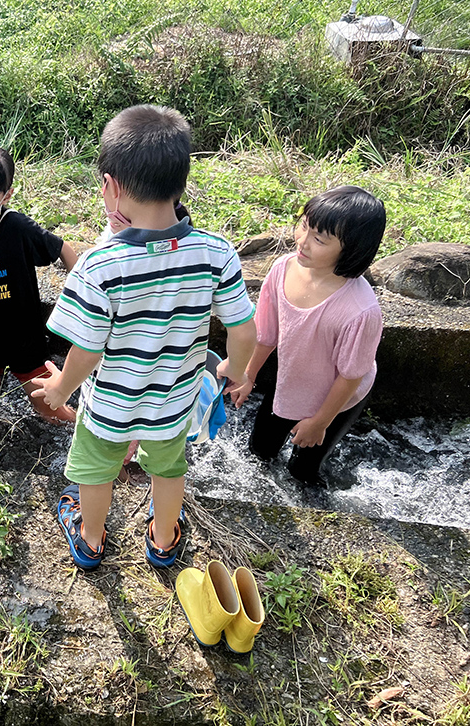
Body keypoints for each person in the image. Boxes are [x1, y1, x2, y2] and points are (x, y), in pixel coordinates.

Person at [32, 105, 257, 570]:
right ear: (181, 182)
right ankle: (163, 538)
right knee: (168, 467)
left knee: (96, 470)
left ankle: (90, 540)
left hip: (110, 405)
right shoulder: (216, 252)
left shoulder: (99, 265)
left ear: (110, 186)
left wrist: (60, 388)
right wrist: (235, 369)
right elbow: (243, 328)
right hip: (174, 400)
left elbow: (87, 349)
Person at [225, 185, 386, 483]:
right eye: (304, 226)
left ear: (352, 248)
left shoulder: (360, 310)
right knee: (260, 450)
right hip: (292, 382)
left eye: (319, 239)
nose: (302, 241)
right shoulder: (282, 270)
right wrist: (247, 375)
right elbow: (266, 333)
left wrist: (319, 422)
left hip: (338, 400)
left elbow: (350, 376)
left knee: (303, 470)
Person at [0, 145, 78, 424]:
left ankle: (92, 434)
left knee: (52, 411)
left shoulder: (17, 228)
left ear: (5, 196)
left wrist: (81, 296)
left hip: (24, 338)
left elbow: (63, 249)